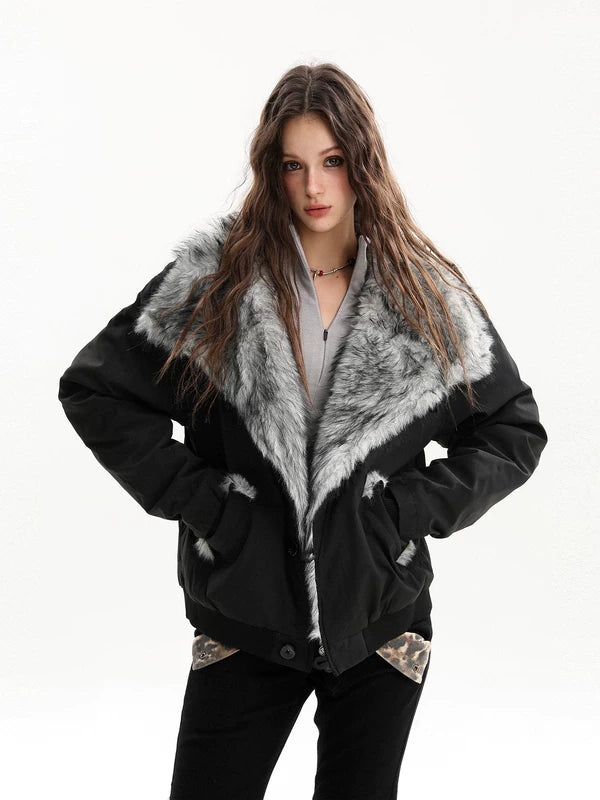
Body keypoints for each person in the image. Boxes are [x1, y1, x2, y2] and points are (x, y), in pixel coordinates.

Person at [57, 62, 548, 800]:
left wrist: (404, 511)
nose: (315, 187)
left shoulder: (425, 298)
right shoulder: (213, 288)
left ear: (362, 162)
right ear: (271, 171)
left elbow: (512, 427)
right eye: (294, 165)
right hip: (245, 616)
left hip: (381, 625)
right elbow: (96, 389)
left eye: (333, 161)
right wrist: (210, 504)